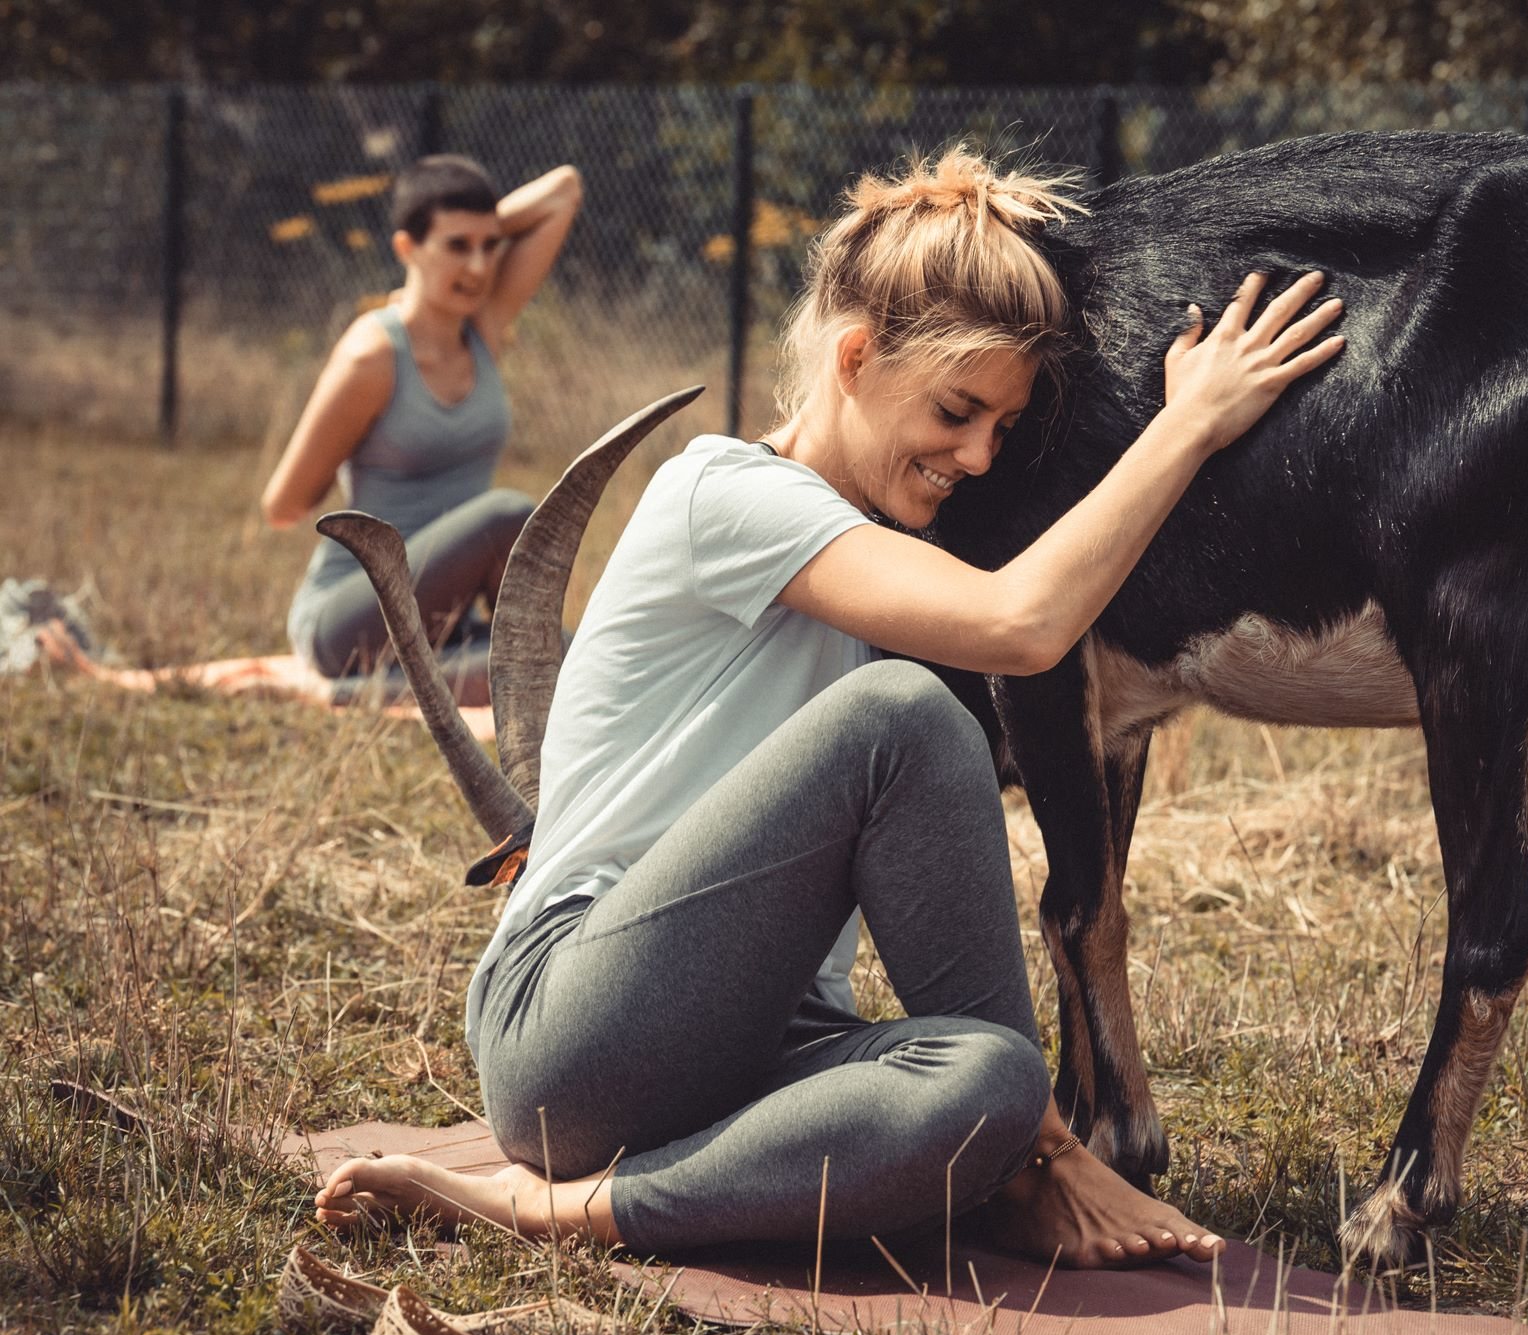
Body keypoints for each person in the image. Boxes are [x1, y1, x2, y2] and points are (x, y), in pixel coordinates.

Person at [313, 147, 1345, 1268]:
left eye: (1000, 428)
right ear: (854, 356)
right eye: (957, 411)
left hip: (756, 1040)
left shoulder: (875, 555)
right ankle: (535, 1202)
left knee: (987, 1080)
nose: (976, 455)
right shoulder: (727, 491)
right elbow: (1021, 625)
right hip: (572, 1025)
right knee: (899, 718)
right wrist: (1188, 426)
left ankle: (1000, 1145)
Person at [260, 154, 582, 707]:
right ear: (406, 248)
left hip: (441, 620)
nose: (480, 267)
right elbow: (282, 506)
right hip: (346, 618)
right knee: (507, 514)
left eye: (489, 246)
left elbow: (564, 190)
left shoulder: (482, 328)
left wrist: (467, 234)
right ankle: (353, 682)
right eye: (457, 246)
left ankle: (367, 694)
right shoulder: (372, 357)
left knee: (575, 657)